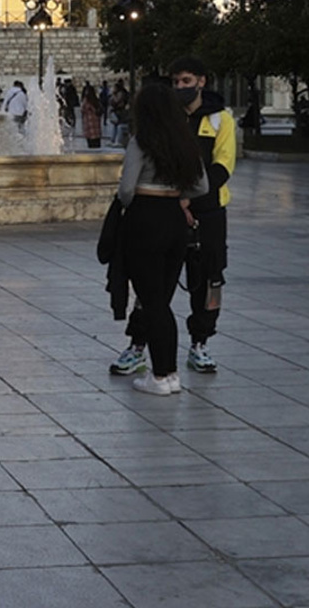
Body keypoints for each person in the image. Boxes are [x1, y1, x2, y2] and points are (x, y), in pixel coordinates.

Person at [110, 57, 237, 378]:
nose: (180, 87)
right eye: (176, 82)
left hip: (207, 210)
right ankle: (138, 343)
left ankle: (201, 342)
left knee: (208, 277)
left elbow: (222, 167)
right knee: (154, 283)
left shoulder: (221, 120)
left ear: (201, 81)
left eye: (186, 81)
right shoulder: (168, 118)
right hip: (170, 211)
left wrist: (187, 198)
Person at [115, 83, 207, 396]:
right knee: (162, 301)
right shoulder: (185, 141)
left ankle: (159, 374)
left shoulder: (141, 141)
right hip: (174, 220)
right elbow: (201, 187)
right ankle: (170, 375)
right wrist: (176, 195)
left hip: (145, 218)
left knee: (151, 301)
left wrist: (136, 202)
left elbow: (126, 188)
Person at [81, 84, 103, 149]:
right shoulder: (96, 100)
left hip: (89, 125)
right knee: (97, 144)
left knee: (91, 145)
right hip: (96, 125)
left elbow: (82, 110)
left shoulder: (86, 101)